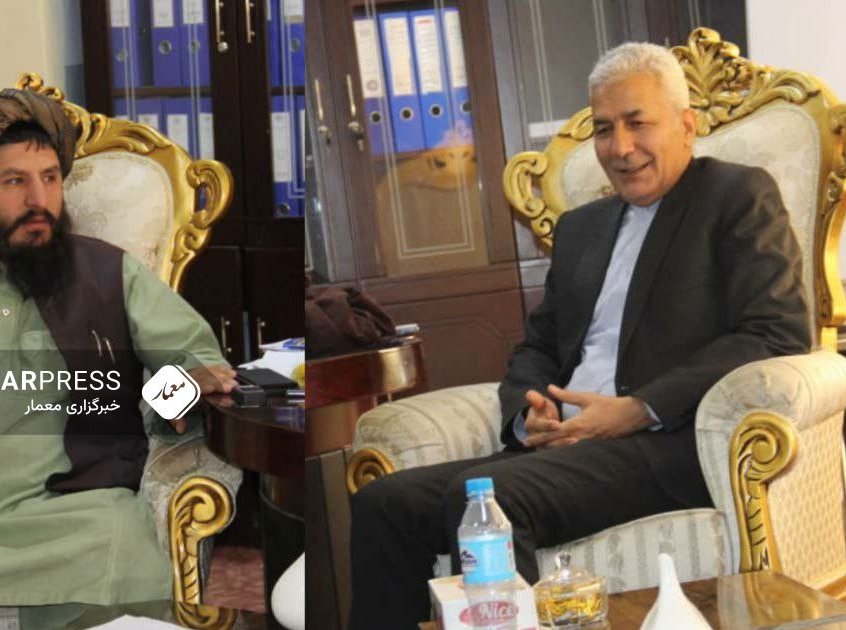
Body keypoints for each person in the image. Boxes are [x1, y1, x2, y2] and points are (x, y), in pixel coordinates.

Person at [348, 41, 812, 629]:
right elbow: (539, 346)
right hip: (565, 447)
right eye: (604, 128)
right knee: (384, 502)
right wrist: (528, 413)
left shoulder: (735, 196)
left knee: (486, 498)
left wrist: (639, 408)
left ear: (686, 124)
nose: (620, 147)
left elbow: (776, 330)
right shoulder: (582, 228)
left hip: (667, 444)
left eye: (638, 123)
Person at [0, 89, 236, 628]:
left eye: (50, 178)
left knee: (124, 553)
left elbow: (193, 361)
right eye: (14, 181)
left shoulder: (109, 274)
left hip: (70, 520)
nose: (39, 199)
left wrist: (177, 393)